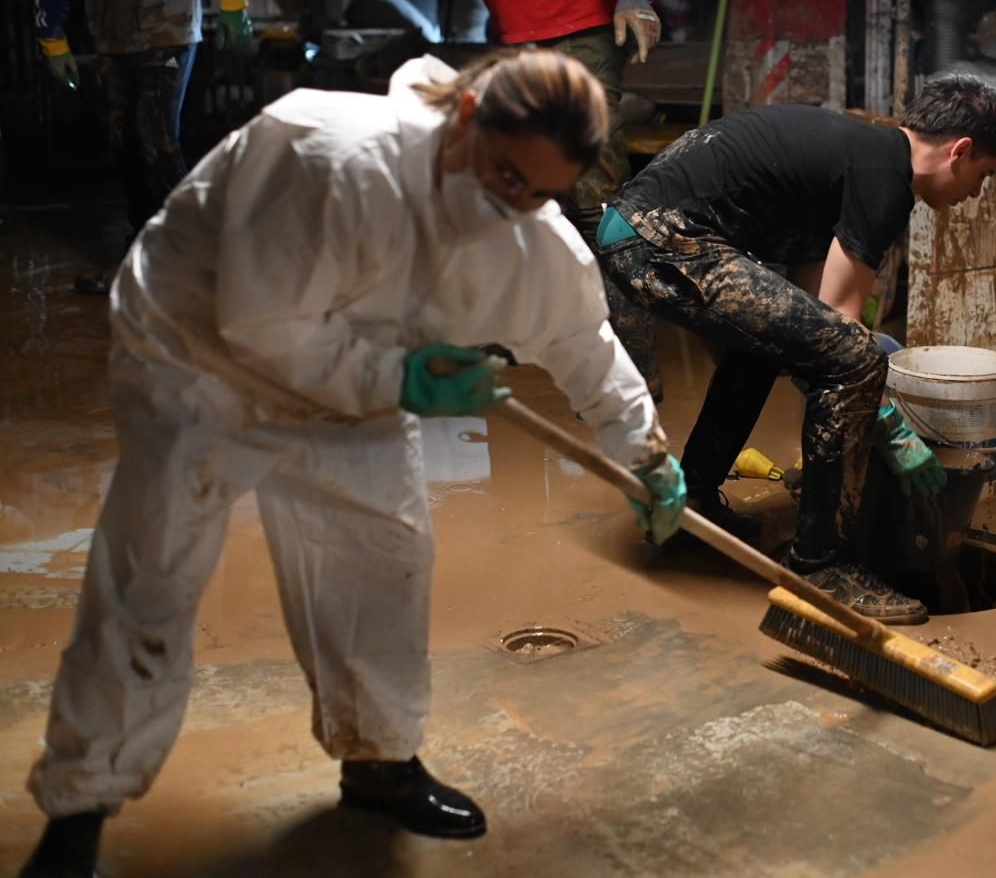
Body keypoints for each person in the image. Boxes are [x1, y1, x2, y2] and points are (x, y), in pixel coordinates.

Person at [17, 49, 687, 878]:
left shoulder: (531, 244)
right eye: (506, 173)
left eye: (539, 193)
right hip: (198, 360)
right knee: (151, 573)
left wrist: (645, 454)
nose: (513, 203)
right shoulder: (323, 151)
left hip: (354, 379)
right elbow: (260, 329)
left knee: (383, 555)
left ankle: (379, 764)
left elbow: (583, 345)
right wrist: (398, 378)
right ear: (469, 115)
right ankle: (80, 806)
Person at [597, 79, 996, 624]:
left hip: (640, 231)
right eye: (983, 177)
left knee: (768, 349)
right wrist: (888, 427)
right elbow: (842, 343)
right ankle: (822, 564)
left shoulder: (861, 158)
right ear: (960, 151)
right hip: (662, 236)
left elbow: (811, 315)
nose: (975, 195)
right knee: (853, 358)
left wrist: (852, 391)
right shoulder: (885, 176)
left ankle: (693, 501)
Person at [359, 0, 665, 399]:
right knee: (507, 183)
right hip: (520, 37)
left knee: (595, 197)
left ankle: (632, 370)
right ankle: (511, 334)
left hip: (576, 33)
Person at [34, 0, 253, 296]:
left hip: (168, 22)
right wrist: (50, 32)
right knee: (123, 144)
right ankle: (143, 259)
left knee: (155, 138)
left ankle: (199, 266)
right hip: (109, 30)